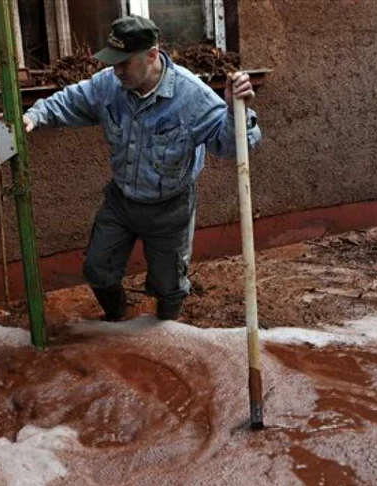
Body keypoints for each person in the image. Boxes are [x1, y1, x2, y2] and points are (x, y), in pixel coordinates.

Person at [23, 15, 262, 321]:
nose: (117, 70)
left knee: (169, 286)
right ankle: (117, 318)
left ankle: (165, 331)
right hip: (121, 202)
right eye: (113, 62)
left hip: (170, 208)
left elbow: (233, 145)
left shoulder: (190, 96)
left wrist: (236, 110)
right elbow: (70, 101)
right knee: (98, 270)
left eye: (124, 62)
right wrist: (35, 115)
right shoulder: (109, 85)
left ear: (152, 56)